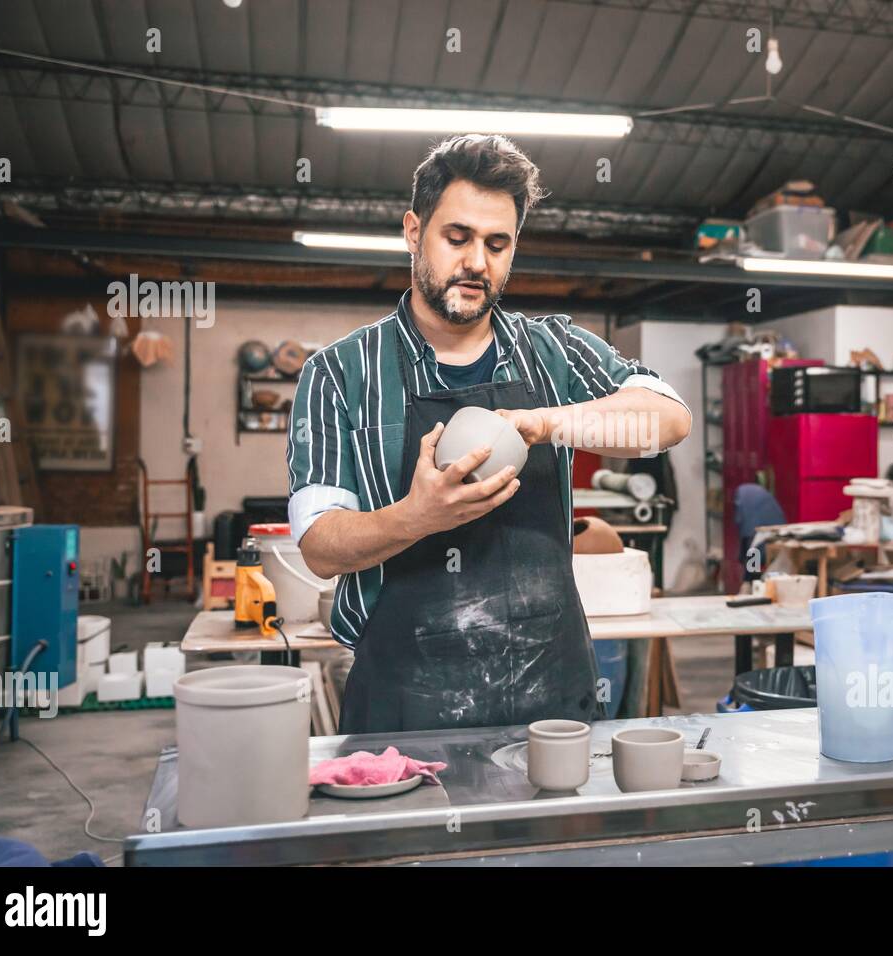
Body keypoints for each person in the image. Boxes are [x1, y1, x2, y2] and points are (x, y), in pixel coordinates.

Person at [286, 134, 691, 734]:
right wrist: (418, 516)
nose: (477, 261)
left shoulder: (555, 353)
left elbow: (668, 418)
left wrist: (546, 422)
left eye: (497, 245)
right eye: (458, 238)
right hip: (405, 706)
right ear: (413, 231)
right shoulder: (341, 374)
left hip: (553, 697)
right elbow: (319, 546)